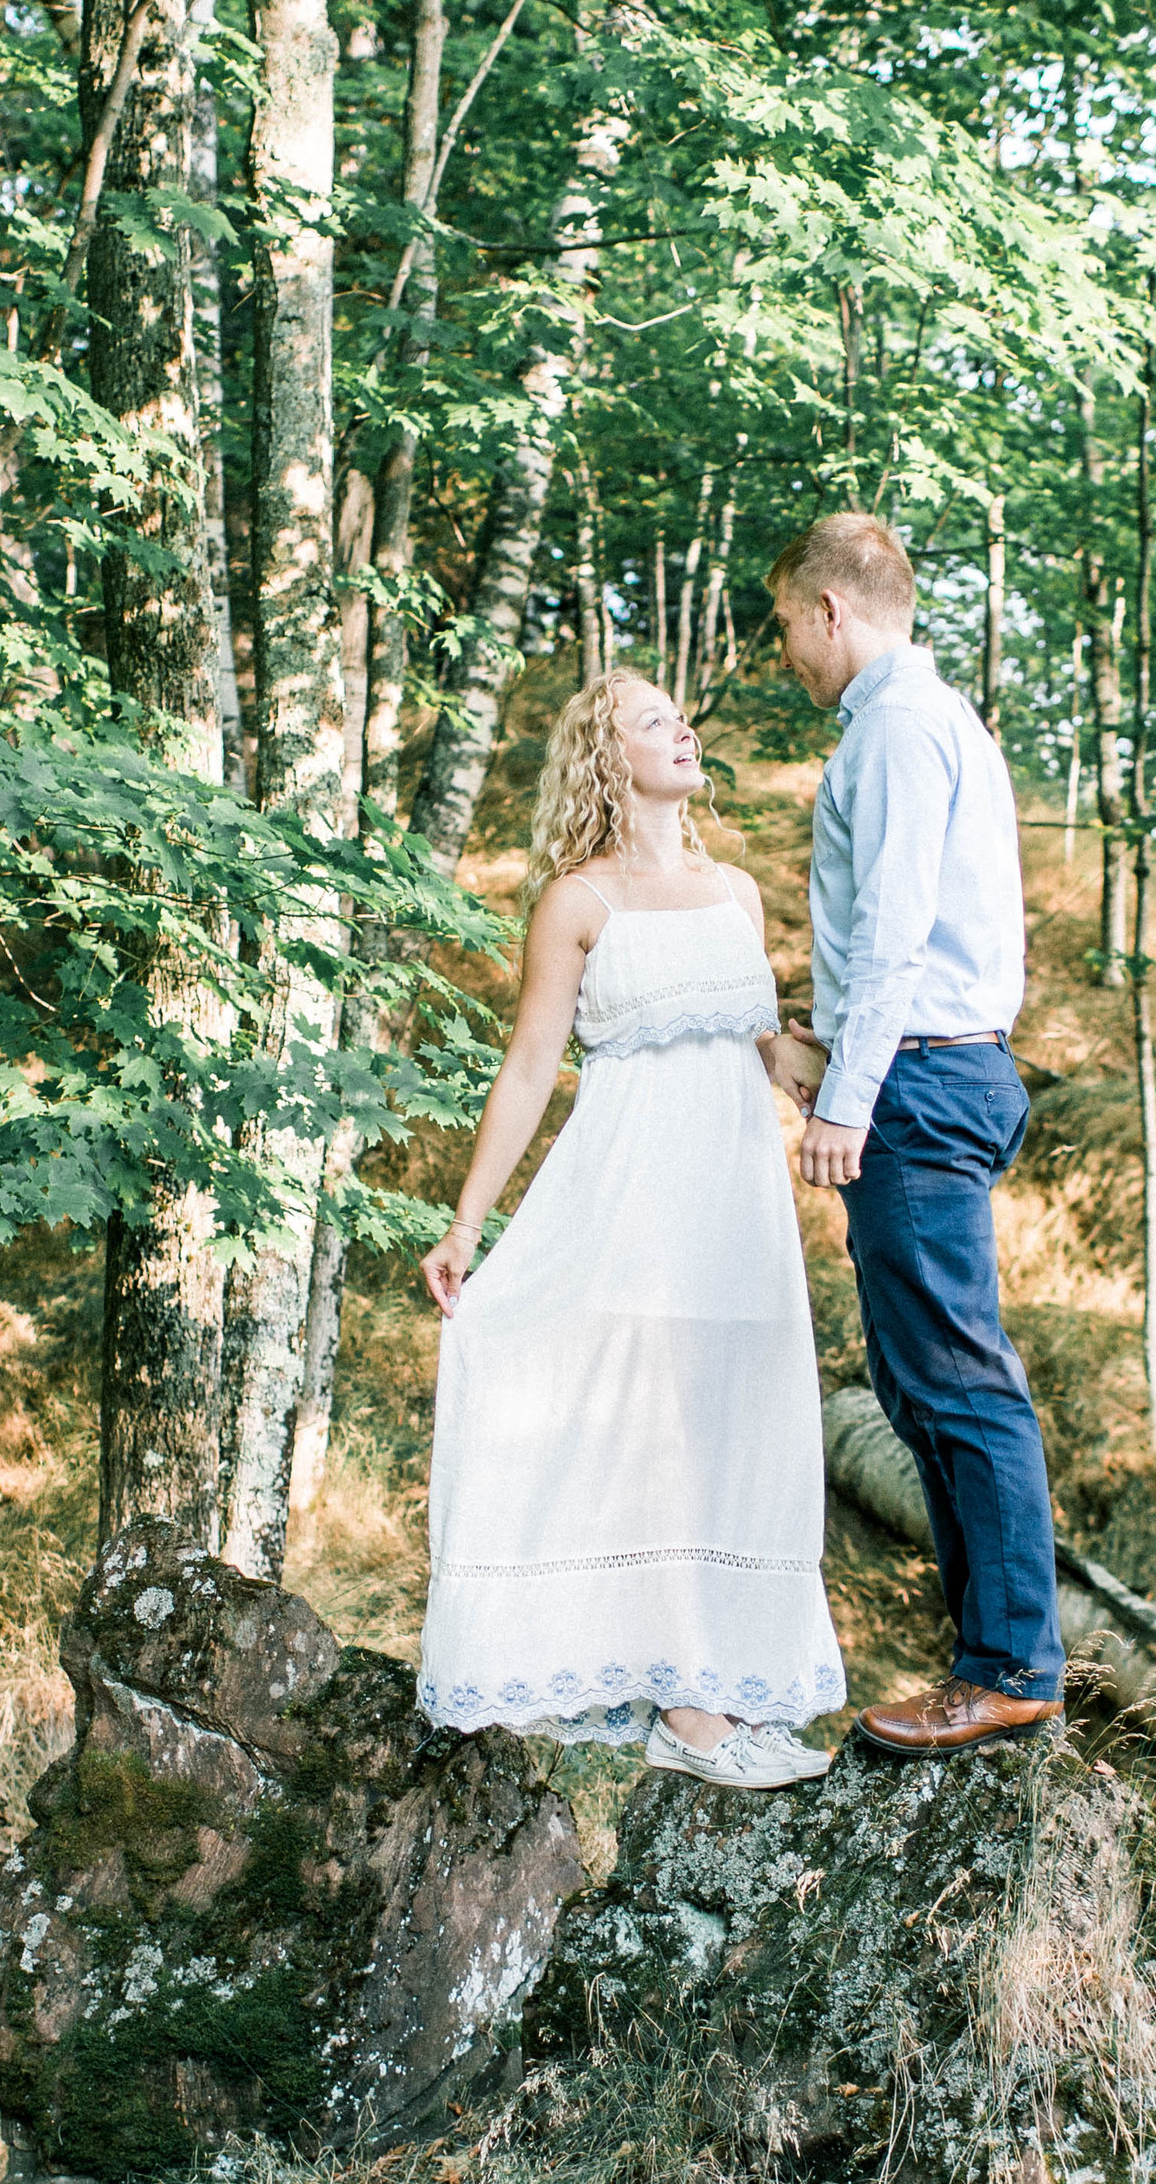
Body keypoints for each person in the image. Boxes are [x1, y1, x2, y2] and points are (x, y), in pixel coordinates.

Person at [415, 670, 845, 1789]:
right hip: (628, 1200)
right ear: (608, 757)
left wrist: (880, 1073)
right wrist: (467, 1226)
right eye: (652, 719)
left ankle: (719, 1688)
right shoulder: (578, 901)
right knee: (645, 1433)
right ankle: (688, 1713)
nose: (682, 727)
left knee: (732, 1430)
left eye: (679, 713)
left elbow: (769, 1050)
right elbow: (525, 1070)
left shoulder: (737, 892)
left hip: (737, 1209)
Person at [766, 511, 1068, 1756]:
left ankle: (1007, 1666)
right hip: (936, 1069)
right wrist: (830, 1051)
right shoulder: (925, 721)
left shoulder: (893, 726)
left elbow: (894, 933)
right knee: (914, 1376)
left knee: (954, 1377)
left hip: (924, 1086)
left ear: (832, 610)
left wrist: (847, 1098)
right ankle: (986, 1655)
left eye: (787, 622)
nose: (785, 648)